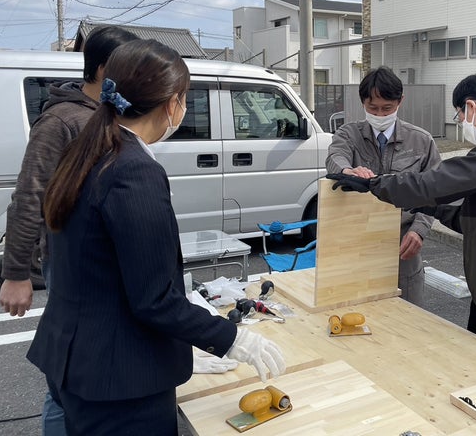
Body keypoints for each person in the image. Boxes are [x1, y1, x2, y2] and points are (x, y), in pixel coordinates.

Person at [27, 39, 285, 435]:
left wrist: (177, 346)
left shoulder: (85, 148)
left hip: (73, 356)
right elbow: (154, 299)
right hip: (119, 379)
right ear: (172, 105)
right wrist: (231, 339)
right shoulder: (132, 169)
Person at [327, 71, 476, 363]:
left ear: (471, 107)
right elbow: (470, 219)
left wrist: (374, 185)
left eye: (459, 114)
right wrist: (429, 207)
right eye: (374, 107)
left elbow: (432, 184)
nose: (461, 122)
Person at [0, 25, 139, 436]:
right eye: (128, 62)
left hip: (109, 262)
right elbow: (29, 197)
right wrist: (16, 273)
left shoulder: (115, 113)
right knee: (66, 375)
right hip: (69, 263)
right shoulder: (61, 121)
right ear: (102, 68)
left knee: (95, 366)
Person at [326, 66, 440, 306]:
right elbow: (335, 158)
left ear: (400, 101)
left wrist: (419, 230)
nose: (379, 114)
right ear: (362, 103)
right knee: (358, 315)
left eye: (387, 108)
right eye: (372, 108)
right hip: (357, 243)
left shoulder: (421, 141)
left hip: (403, 245)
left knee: (408, 319)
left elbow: (435, 191)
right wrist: (348, 171)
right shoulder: (348, 134)